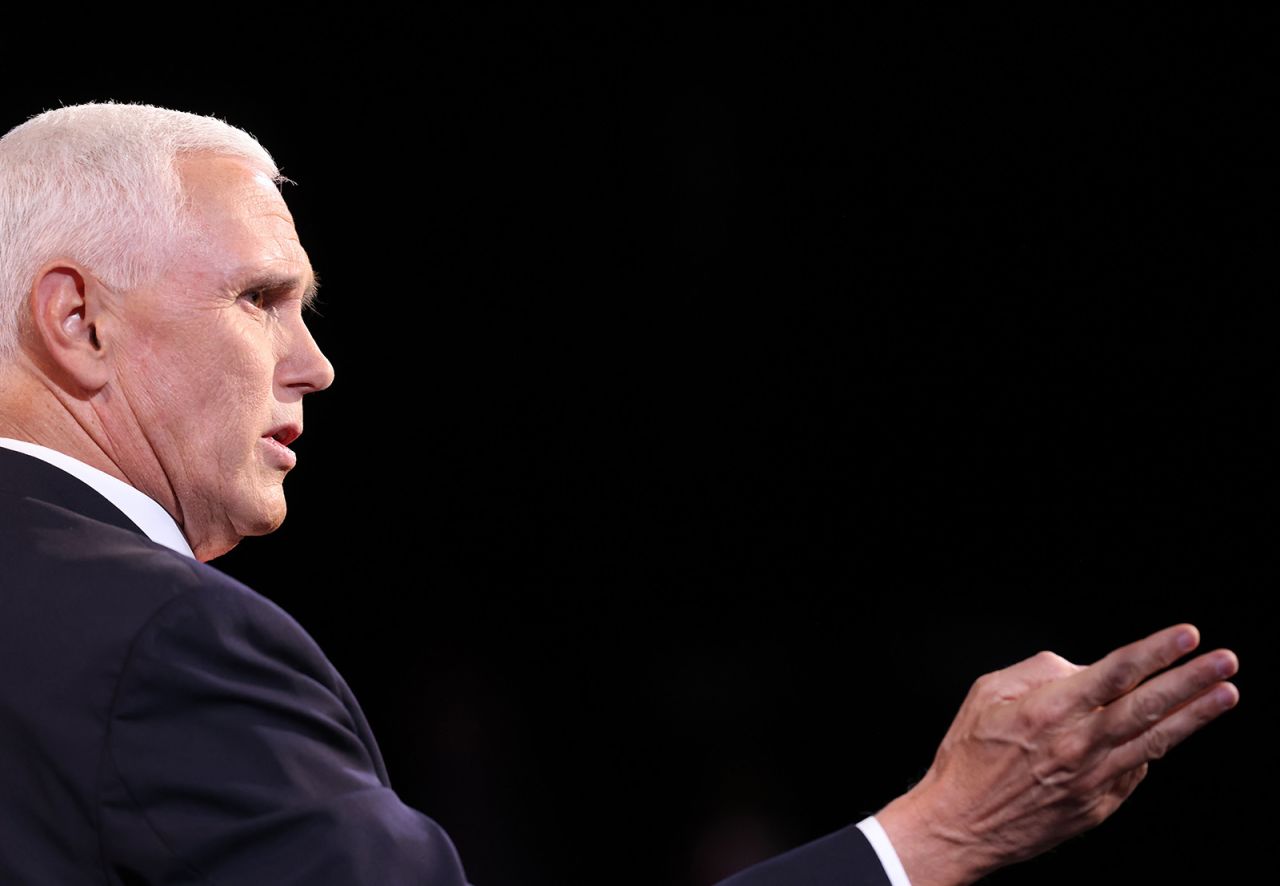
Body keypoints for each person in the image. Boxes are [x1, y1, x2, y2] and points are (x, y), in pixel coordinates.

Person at [0, 103, 1239, 886]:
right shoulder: (168, 636)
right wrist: (928, 837)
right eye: (260, 300)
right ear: (78, 321)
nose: (314, 363)